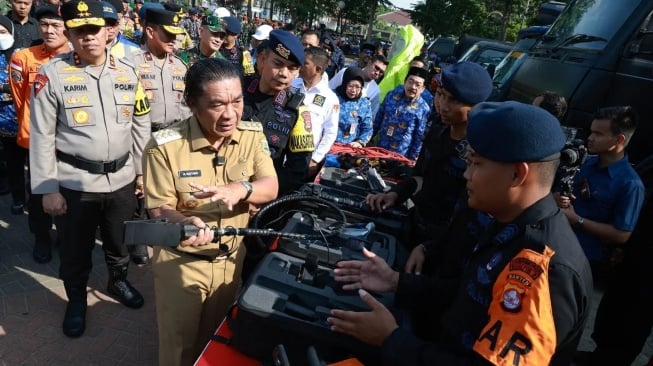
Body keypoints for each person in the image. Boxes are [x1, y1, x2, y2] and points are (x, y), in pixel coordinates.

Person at [328, 101, 594, 365]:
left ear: (517, 175)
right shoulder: (510, 225)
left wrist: (392, 339)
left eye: (476, 164)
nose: (466, 174)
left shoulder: (541, 267)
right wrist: (397, 281)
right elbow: (470, 295)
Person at [143, 58, 278, 366]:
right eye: (217, 105)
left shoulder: (251, 135)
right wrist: (184, 221)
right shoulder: (163, 147)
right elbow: (159, 208)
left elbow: (270, 185)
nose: (230, 114)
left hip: (230, 262)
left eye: (237, 101)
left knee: (213, 343)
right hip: (182, 264)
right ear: (192, 103)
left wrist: (240, 189)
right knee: (178, 348)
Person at [29, 0, 152, 338]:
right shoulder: (51, 75)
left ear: (106, 30)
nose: (88, 37)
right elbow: (41, 135)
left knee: (118, 242)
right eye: (79, 31)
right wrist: (47, 188)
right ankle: (76, 301)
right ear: (69, 33)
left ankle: (118, 282)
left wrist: (141, 171)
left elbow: (140, 125)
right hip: (74, 182)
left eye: (93, 29)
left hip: (123, 179)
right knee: (74, 249)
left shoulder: (128, 72)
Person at [367, 61, 493, 248]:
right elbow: (420, 177)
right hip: (416, 225)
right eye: (441, 95)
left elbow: (469, 215)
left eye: (454, 100)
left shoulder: (479, 152)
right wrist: (395, 194)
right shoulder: (437, 132)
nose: (443, 105)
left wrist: (431, 248)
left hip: (444, 244)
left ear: (475, 106)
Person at [9, 4, 71, 263]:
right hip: (38, 143)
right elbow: (19, 99)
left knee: (70, 196)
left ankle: (67, 237)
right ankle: (41, 238)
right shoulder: (24, 58)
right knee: (38, 198)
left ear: (67, 28)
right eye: (44, 25)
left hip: (70, 144)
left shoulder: (77, 57)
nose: (49, 30)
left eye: (56, 25)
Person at [555, 106, 645, 285]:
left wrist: (577, 220)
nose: (590, 138)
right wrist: (556, 199)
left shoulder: (630, 184)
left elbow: (622, 234)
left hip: (585, 262)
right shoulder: (584, 164)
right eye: (591, 131)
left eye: (598, 134)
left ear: (619, 139)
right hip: (556, 245)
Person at [242, 29, 313, 195]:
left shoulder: (298, 110)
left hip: (261, 200)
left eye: (292, 68)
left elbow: (297, 171)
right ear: (262, 60)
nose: (284, 74)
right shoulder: (234, 89)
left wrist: (263, 196)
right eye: (278, 64)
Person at [290, 46, 339, 178]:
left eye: (305, 63)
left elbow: (330, 132)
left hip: (304, 159)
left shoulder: (330, 98)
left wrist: (316, 159)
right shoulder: (290, 85)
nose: (300, 65)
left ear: (318, 69)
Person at [371, 66, 431, 161]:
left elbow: (419, 139)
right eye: (410, 82)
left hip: (401, 157)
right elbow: (378, 119)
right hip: (379, 151)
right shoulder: (391, 95)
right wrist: (367, 139)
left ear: (423, 88)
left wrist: (412, 160)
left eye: (418, 85)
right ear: (405, 81)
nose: (413, 87)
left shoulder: (424, 109)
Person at [0, 15, 19, 213]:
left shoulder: (20, 55)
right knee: (10, 162)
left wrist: (4, 88)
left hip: (20, 117)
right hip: (1, 117)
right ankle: (15, 196)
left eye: (3, 32)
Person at [333, 67, 373, 147]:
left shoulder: (364, 103)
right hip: (329, 144)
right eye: (350, 86)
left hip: (350, 148)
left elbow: (367, 128)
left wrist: (360, 142)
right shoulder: (332, 97)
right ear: (344, 83)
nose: (353, 90)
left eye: (358, 87)